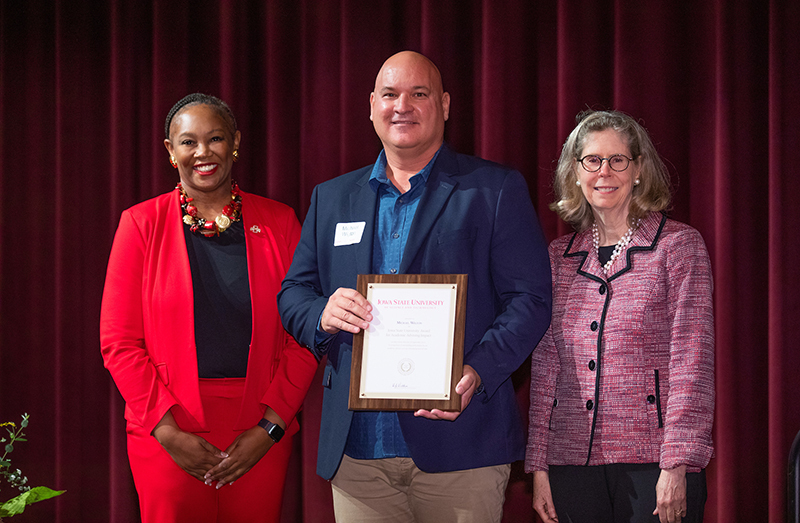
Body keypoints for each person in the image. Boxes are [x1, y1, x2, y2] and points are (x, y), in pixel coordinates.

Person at [277, 50, 552, 523]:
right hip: (359, 455)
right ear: (370, 106)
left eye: (418, 94)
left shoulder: (494, 189)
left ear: (444, 105)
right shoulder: (332, 197)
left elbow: (530, 301)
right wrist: (321, 313)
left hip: (462, 447)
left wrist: (479, 370)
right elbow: (293, 294)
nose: (402, 105)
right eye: (390, 94)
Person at [100, 93, 318, 523]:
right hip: (167, 428)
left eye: (215, 138)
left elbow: (307, 335)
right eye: (188, 141)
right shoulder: (140, 224)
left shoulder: (280, 222)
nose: (203, 152)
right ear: (170, 151)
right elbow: (119, 342)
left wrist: (269, 428)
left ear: (234, 143)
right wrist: (166, 431)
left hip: (259, 427)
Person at [525, 109, 715, 523]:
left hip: (654, 463)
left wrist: (677, 463)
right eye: (591, 160)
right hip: (571, 463)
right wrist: (539, 465)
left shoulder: (678, 247)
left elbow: (691, 363)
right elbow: (546, 366)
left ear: (639, 170)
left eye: (617, 160)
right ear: (576, 173)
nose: (603, 172)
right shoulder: (559, 257)